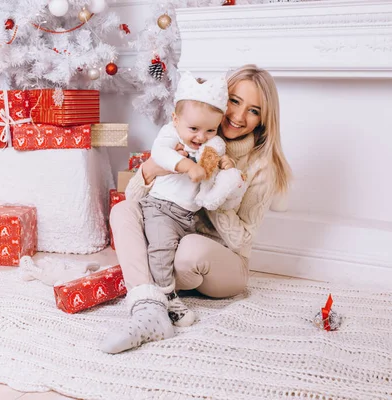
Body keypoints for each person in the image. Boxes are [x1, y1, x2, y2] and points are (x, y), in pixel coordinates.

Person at [100, 64, 291, 354]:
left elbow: (242, 239)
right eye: (235, 102)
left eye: (254, 110)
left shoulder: (261, 166)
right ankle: (149, 311)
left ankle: (147, 280)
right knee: (123, 211)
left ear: (264, 119)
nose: (239, 116)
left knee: (189, 250)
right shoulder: (190, 135)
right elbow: (136, 197)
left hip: (221, 262)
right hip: (174, 239)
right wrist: (154, 169)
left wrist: (215, 192)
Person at [139, 71, 232, 328]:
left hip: (187, 216)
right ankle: (166, 296)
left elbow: (214, 163)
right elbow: (159, 153)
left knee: (176, 257)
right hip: (161, 209)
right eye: (194, 129)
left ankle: (167, 286)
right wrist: (186, 166)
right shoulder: (171, 134)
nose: (201, 136)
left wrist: (223, 163)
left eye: (210, 129)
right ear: (175, 119)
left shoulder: (211, 143)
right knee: (161, 250)